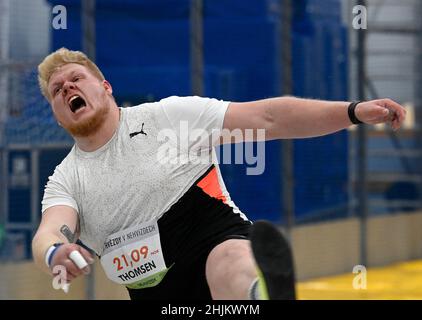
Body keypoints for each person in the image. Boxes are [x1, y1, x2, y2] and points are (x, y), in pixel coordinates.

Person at [32, 48, 406, 300]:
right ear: (56, 112)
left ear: (105, 87)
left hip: (212, 237)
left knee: (232, 264)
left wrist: (353, 111)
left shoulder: (168, 117)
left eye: (76, 79)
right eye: (57, 91)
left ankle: (261, 294)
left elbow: (269, 118)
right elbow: (50, 229)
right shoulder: (67, 179)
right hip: (155, 293)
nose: (68, 89)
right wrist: (54, 252)